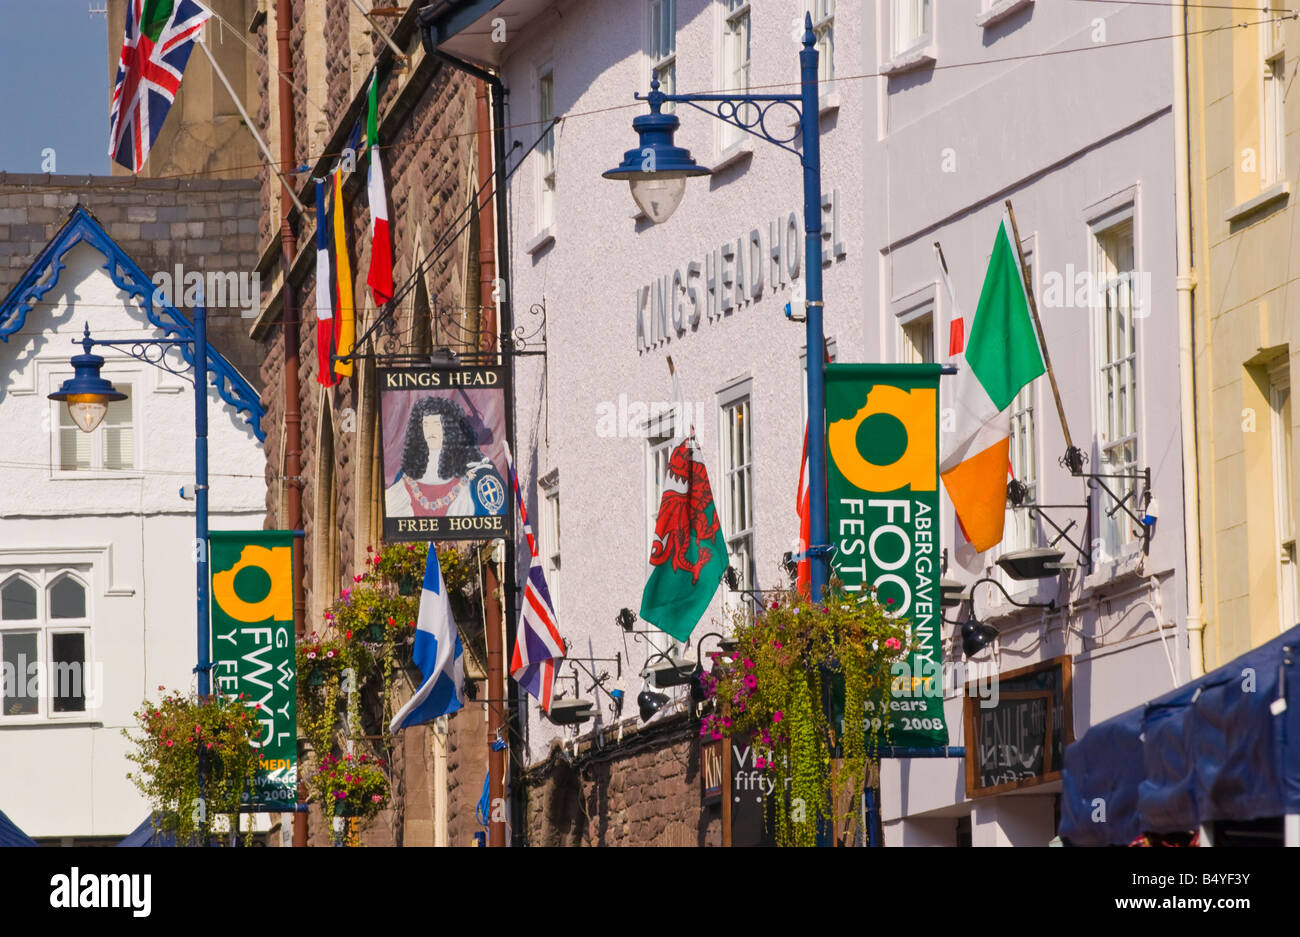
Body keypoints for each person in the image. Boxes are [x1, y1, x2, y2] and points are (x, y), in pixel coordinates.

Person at [384, 396, 506, 519]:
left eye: (437, 425)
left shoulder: (478, 474)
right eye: (426, 425)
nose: (431, 431)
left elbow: (495, 519)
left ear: (449, 429)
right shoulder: (406, 474)